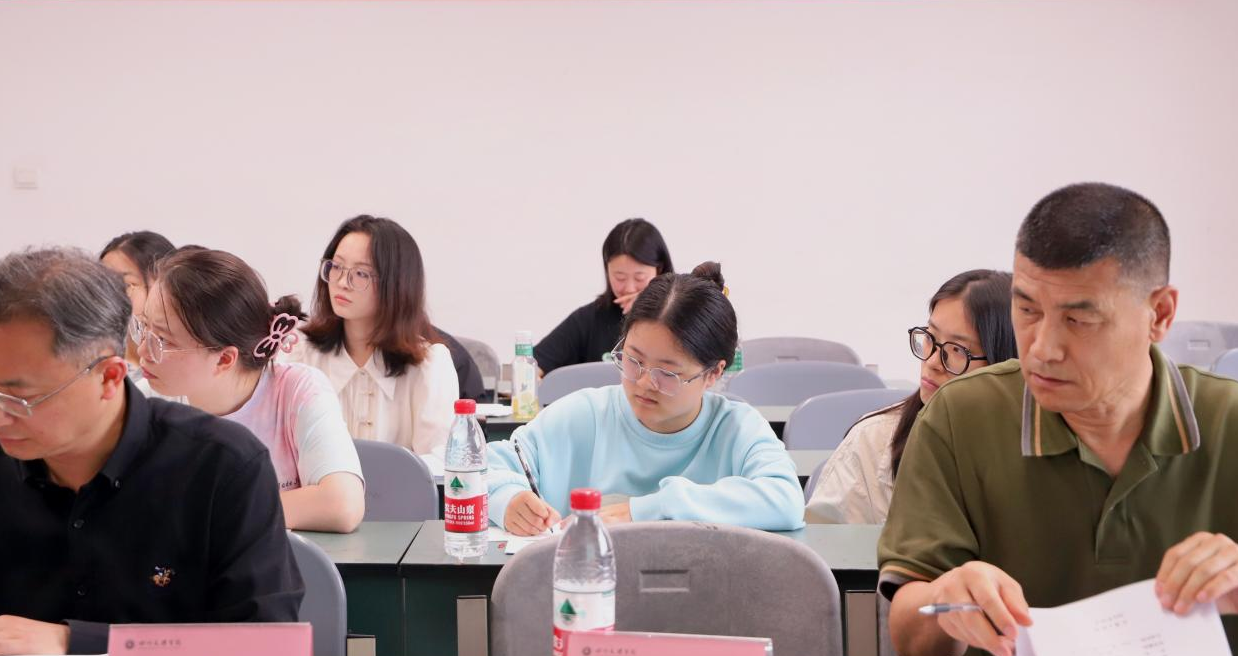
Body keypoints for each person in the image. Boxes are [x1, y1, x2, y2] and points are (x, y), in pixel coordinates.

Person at [880, 183, 1238, 656]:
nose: (1042, 348)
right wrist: (943, 601)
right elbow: (910, 637)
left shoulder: (1235, 424)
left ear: (1159, 314)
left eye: (1079, 320)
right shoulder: (960, 416)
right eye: (1027, 310)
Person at [0, 248, 302, 656]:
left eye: (19, 397)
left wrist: (73, 643)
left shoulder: (222, 467)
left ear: (109, 377)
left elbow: (265, 654)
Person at [489, 262, 804, 535]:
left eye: (666, 373)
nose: (643, 383)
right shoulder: (582, 416)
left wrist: (650, 509)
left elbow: (785, 501)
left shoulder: (736, 428)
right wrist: (507, 498)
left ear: (713, 373)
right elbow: (482, 467)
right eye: (633, 360)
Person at [137, 247, 365, 533]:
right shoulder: (148, 401)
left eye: (162, 340)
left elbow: (342, 505)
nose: (142, 350)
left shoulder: (297, 391)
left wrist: (206, 513)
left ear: (224, 359)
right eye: (143, 328)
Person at [805, 270, 1015, 524]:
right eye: (930, 338)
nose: (933, 361)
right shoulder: (872, 441)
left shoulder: (1033, 452)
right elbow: (826, 545)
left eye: (957, 350)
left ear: (1004, 362)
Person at [286, 215, 459, 467]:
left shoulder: (430, 366)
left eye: (361, 273)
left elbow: (440, 464)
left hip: (400, 493)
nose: (341, 283)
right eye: (336, 267)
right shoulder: (299, 353)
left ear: (396, 284)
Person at [534, 218, 673, 376]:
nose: (629, 288)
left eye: (639, 277)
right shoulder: (588, 319)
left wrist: (651, 305)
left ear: (659, 270)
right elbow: (531, 366)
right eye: (620, 277)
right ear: (607, 271)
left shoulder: (683, 318)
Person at [98, 230, 175, 395]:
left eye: (125, 284)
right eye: (102, 283)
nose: (107, 294)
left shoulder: (184, 365)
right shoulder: (91, 363)